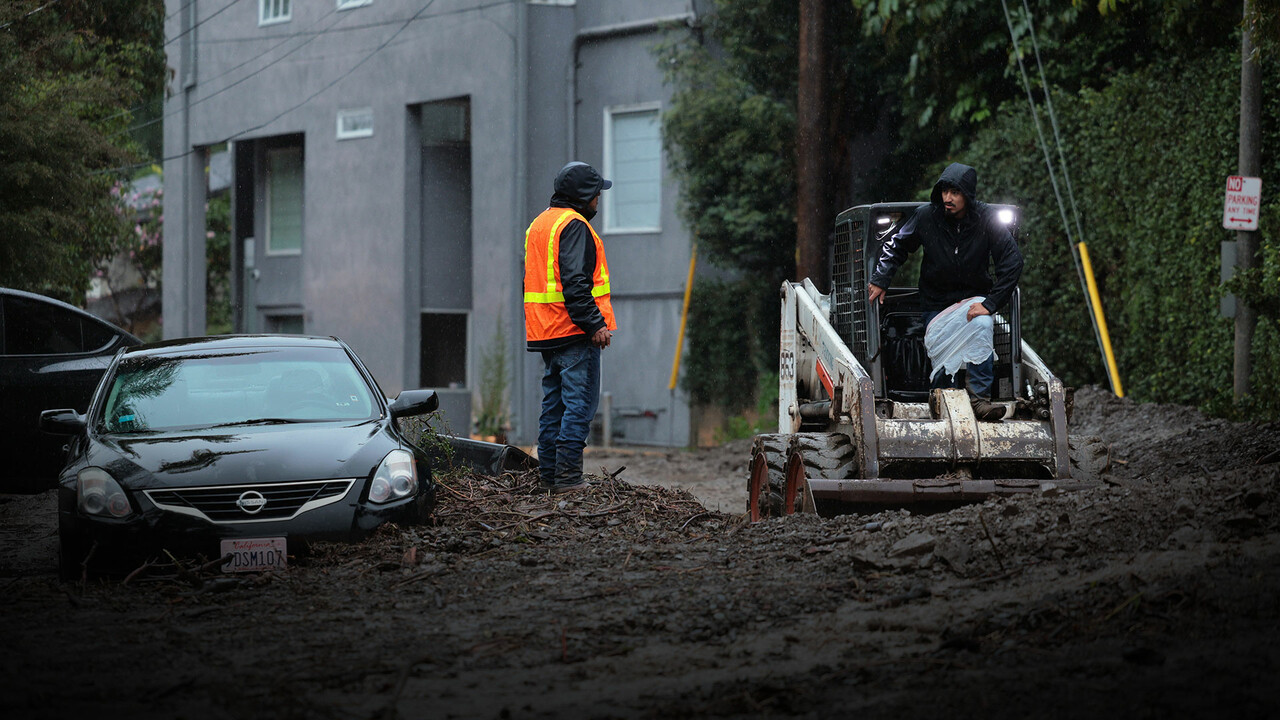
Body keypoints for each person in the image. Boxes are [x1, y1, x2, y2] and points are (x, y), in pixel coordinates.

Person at [867, 162, 1023, 421]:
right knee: (941, 351)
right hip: (936, 304)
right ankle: (939, 397)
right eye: (944, 191)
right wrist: (882, 277)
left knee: (982, 324)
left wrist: (992, 303)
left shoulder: (986, 219)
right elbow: (897, 245)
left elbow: (1013, 262)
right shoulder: (927, 216)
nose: (948, 198)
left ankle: (979, 399)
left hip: (975, 299)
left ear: (968, 195)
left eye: (955, 192)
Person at [523, 162, 617, 493]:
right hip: (574, 332)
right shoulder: (574, 225)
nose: (597, 201)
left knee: (554, 407)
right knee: (578, 406)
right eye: (595, 195)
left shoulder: (540, 224)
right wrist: (595, 325)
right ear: (583, 196)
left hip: (546, 332)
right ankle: (568, 478)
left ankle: (549, 476)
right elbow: (575, 283)